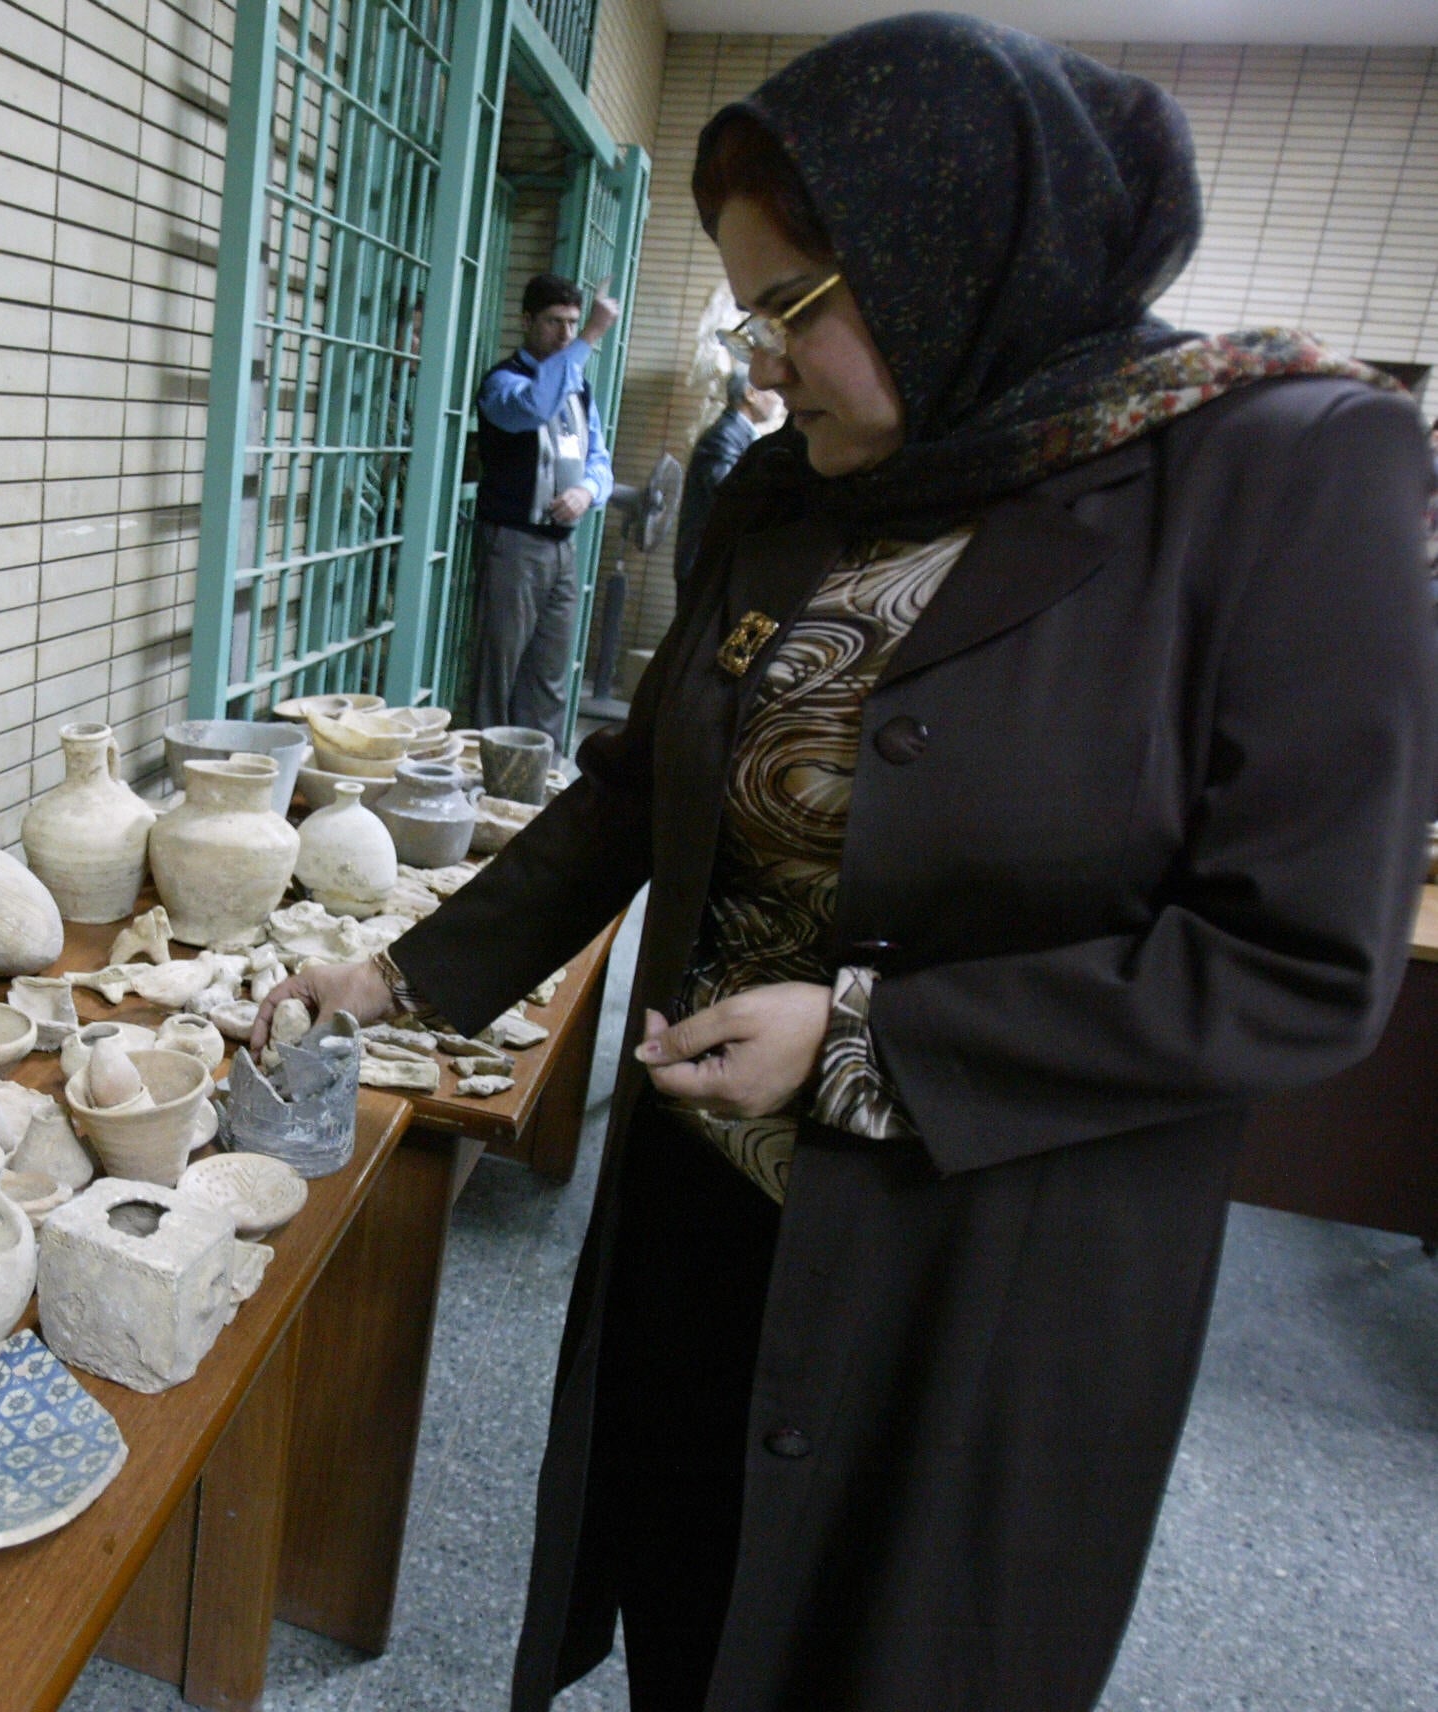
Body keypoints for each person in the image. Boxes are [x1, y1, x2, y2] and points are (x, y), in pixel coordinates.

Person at [255, 15, 1437, 1712]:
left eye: (797, 306)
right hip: (707, 1196)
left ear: (961, 257)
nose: (764, 357)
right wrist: (396, 975)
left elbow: (1298, 962)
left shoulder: (1271, 469)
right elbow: (630, 792)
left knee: (886, 1656)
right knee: (693, 1590)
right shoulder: (792, 492)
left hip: (977, 1257)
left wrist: (871, 1037)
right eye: (751, 310)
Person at [470, 273, 620, 737]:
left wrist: (587, 492)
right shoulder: (502, 383)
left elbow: (600, 459)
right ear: (527, 321)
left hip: (561, 549)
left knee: (550, 677)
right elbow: (535, 406)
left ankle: (537, 780)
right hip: (514, 542)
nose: (567, 334)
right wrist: (593, 337)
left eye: (575, 323)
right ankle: (484, 773)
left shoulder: (579, 389)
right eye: (555, 322)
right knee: (497, 672)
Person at [672, 367, 782, 594]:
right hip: (705, 566)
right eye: (772, 392)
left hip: (713, 564)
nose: (778, 400)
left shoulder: (736, 434)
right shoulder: (724, 436)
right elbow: (728, 495)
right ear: (751, 394)